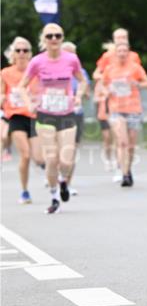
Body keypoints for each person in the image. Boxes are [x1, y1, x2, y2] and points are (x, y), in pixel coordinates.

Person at [17, 23, 86, 214]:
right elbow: (22, 86)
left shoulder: (71, 59)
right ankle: (55, 195)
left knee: (66, 161)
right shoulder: (37, 62)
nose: (54, 39)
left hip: (67, 113)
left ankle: (63, 181)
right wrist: (28, 103)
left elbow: (82, 81)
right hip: (45, 114)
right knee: (51, 158)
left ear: (62, 38)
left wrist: (78, 95)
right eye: (49, 36)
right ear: (44, 40)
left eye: (57, 35)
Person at [100, 41, 147, 187]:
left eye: (124, 51)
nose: (122, 53)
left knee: (131, 145)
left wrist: (137, 84)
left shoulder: (135, 68)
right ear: (115, 53)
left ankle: (128, 170)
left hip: (133, 109)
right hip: (116, 110)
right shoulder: (110, 69)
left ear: (128, 53)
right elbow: (102, 86)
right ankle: (124, 174)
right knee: (122, 142)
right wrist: (107, 91)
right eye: (119, 51)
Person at [1, 37, 42, 203]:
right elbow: (2, 92)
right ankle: (24, 191)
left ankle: (47, 170)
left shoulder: (36, 73)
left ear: (30, 53)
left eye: (25, 50)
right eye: (18, 50)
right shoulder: (5, 73)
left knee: (39, 158)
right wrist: (3, 98)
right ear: (13, 53)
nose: (22, 53)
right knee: (25, 155)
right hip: (16, 116)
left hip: (34, 117)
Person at [62, 41, 91, 194]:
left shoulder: (82, 73)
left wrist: (82, 94)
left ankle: (67, 183)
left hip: (76, 114)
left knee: (72, 149)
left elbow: (87, 94)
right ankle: (56, 177)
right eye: (66, 53)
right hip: (58, 114)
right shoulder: (55, 72)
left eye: (72, 53)